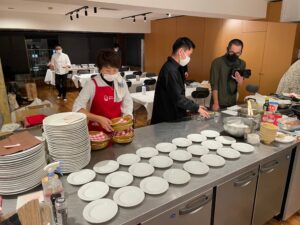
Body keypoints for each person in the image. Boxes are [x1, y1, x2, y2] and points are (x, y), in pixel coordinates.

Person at [151, 37, 209, 125]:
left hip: (172, 114)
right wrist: (196, 108)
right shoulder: (171, 70)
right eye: (189, 55)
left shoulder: (175, 67)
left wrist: (195, 106)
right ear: (181, 52)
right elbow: (178, 98)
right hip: (167, 118)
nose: (189, 58)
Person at [73, 49, 133, 132]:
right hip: (96, 129)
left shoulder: (121, 82)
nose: (112, 73)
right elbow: (77, 108)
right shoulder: (91, 84)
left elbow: (127, 103)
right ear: (100, 69)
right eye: (107, 70)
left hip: (117, 128)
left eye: (115, 70)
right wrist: (98, 119)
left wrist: (127, 119)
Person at [210, 39, 246, 111]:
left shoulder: (242, 63)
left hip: (232, 101)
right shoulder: (217, 62)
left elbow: (240, 84)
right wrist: (216, 103)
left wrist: (240, 81)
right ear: (227, 49)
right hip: (219, 101)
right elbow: (214, 85)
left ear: (241, 52)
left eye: (238, 53)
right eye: (232, 52)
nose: (235, 55)